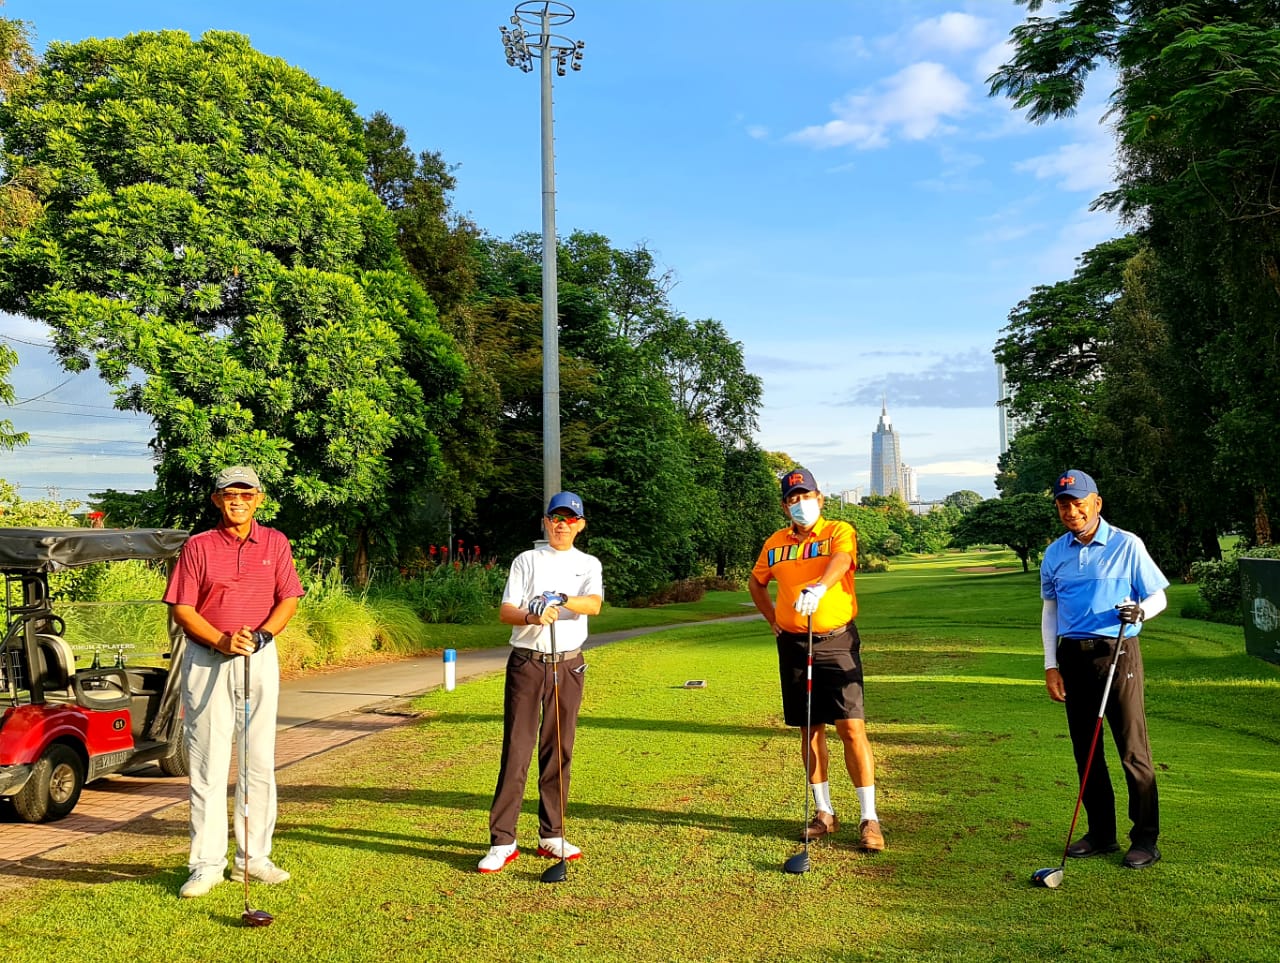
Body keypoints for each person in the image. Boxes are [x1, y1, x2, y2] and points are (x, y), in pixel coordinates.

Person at [163, 466, 305, 898]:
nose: (238, 500)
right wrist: (222, 640)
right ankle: (205, 864)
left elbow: (289, 598)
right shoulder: (199, 547)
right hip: (208, 660)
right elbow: (183, 610)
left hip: (259, 657)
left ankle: (254, 858)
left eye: (246, 494)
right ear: (217, 500)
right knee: (208, 763)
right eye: (229, 494)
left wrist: (263, 634)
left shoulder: (275, 542)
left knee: (258, 759)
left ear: (258, 498)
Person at [749, 467, 884, 852]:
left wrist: (819, 588)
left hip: (836, 641)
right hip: (794, 644)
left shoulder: (838, 530)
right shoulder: (775, 543)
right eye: (793, 499)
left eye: (806, 496)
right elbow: (756, 581)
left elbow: (841, 560)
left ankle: (868, 818)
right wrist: (773, 619)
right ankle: (824, 812)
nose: (800, 504)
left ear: (819, 498)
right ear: (784, 505)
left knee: (852, 728)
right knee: (810, 729)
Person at [1040, 469, 1170, 870]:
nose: (1071, 510)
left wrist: (1141, 611)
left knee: (1133, 750)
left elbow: (1158, 596)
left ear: (1096, 503)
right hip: (1072, 657)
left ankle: (1145, 839)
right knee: (1088, 749)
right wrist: (1050, 664)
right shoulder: (1054, 553)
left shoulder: (1126, 544)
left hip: (1118, 651)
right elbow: (1051, 610)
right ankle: (1101, 834)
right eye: (1064, 504)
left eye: (1078, 503)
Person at [479, 491, 604, 873]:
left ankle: (553, 834)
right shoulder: (526, 560)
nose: (562, 524)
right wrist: (532, 617)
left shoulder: (587, 563)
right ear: (546, 522)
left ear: (580, 525)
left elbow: (593, 604)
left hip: (567, 664)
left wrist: (561, 599)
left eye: (569, 518)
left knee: (558, 748)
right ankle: (503, 840)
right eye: (556, 518)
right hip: (528, 662)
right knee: (517, 750)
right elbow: (505, 612)